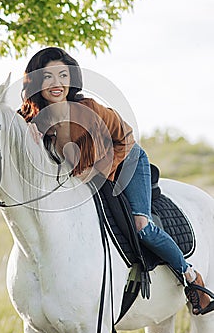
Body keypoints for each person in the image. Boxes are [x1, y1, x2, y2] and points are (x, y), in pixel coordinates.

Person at [18, 46, 214, 316]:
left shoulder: (89, 109)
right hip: (84, 178)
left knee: (141, 225)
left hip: (127, 163)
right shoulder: (31, 117)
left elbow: (126, 138)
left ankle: (191, 276)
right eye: (48, 76)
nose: (57, 83)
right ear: (37, 81)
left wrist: (100, 172)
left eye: (63, 75)